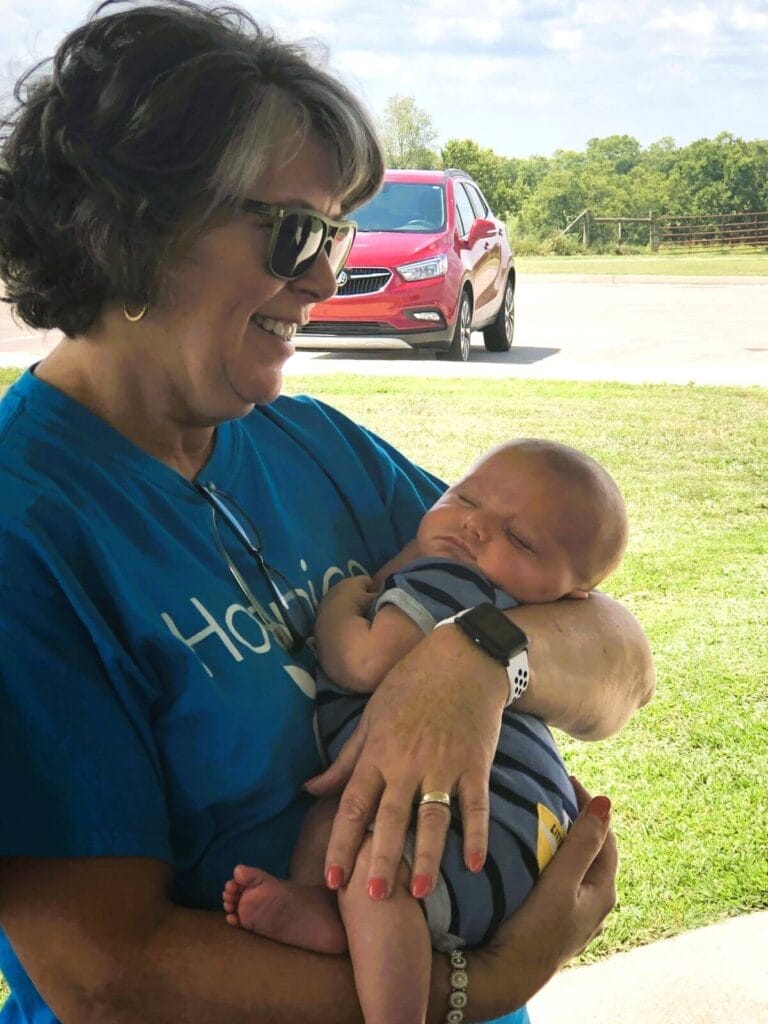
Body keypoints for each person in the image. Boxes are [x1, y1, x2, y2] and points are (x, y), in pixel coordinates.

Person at [0, 3, 655, 1022]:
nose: (325, 277)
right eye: (297, 233)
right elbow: (107, 976)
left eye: (337, 236)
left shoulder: (314, 442)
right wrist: (477, 985)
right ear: (136, 224)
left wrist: (478, 658)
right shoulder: (24, 529)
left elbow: (618, 660)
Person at [222, 437, 629, 1024]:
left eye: (519, 539)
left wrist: (338, 607)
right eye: (464, 496)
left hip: (480, 823)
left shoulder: (450, 579)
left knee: (376, 872)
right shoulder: (482, 580)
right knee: (334, 823)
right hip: (523, 820)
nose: (474, 526)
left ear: (571, 595)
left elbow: (363, 661)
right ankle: (326, 912)